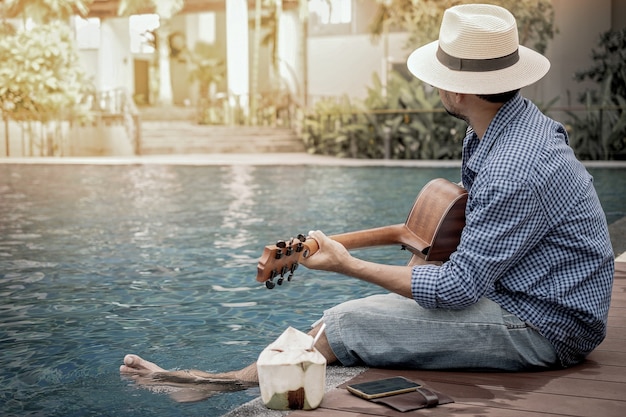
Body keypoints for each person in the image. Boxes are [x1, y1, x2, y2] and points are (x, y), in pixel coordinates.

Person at [121, 4, 614, 393]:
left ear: (459, 90)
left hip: (548, 324)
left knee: (347, 321)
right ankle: (225, 379)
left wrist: (347, 265)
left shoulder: (514, 166)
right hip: (532, 292)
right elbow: (471, 242)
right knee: (352, 318)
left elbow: (456, 289)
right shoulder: (504, 131)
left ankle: (215, 385)